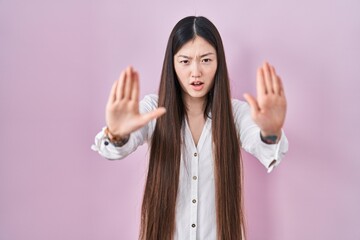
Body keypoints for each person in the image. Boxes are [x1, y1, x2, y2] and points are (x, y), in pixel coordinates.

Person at [92, 16, 288, 240]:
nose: (196, 72)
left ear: (218, 63)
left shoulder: (236, 114)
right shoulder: (153, 109)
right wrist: (117, 134)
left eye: (206, 60)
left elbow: (267, 149)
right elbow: (113, 149)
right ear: (172, 64)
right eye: (185, 61)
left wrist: (271, 133)